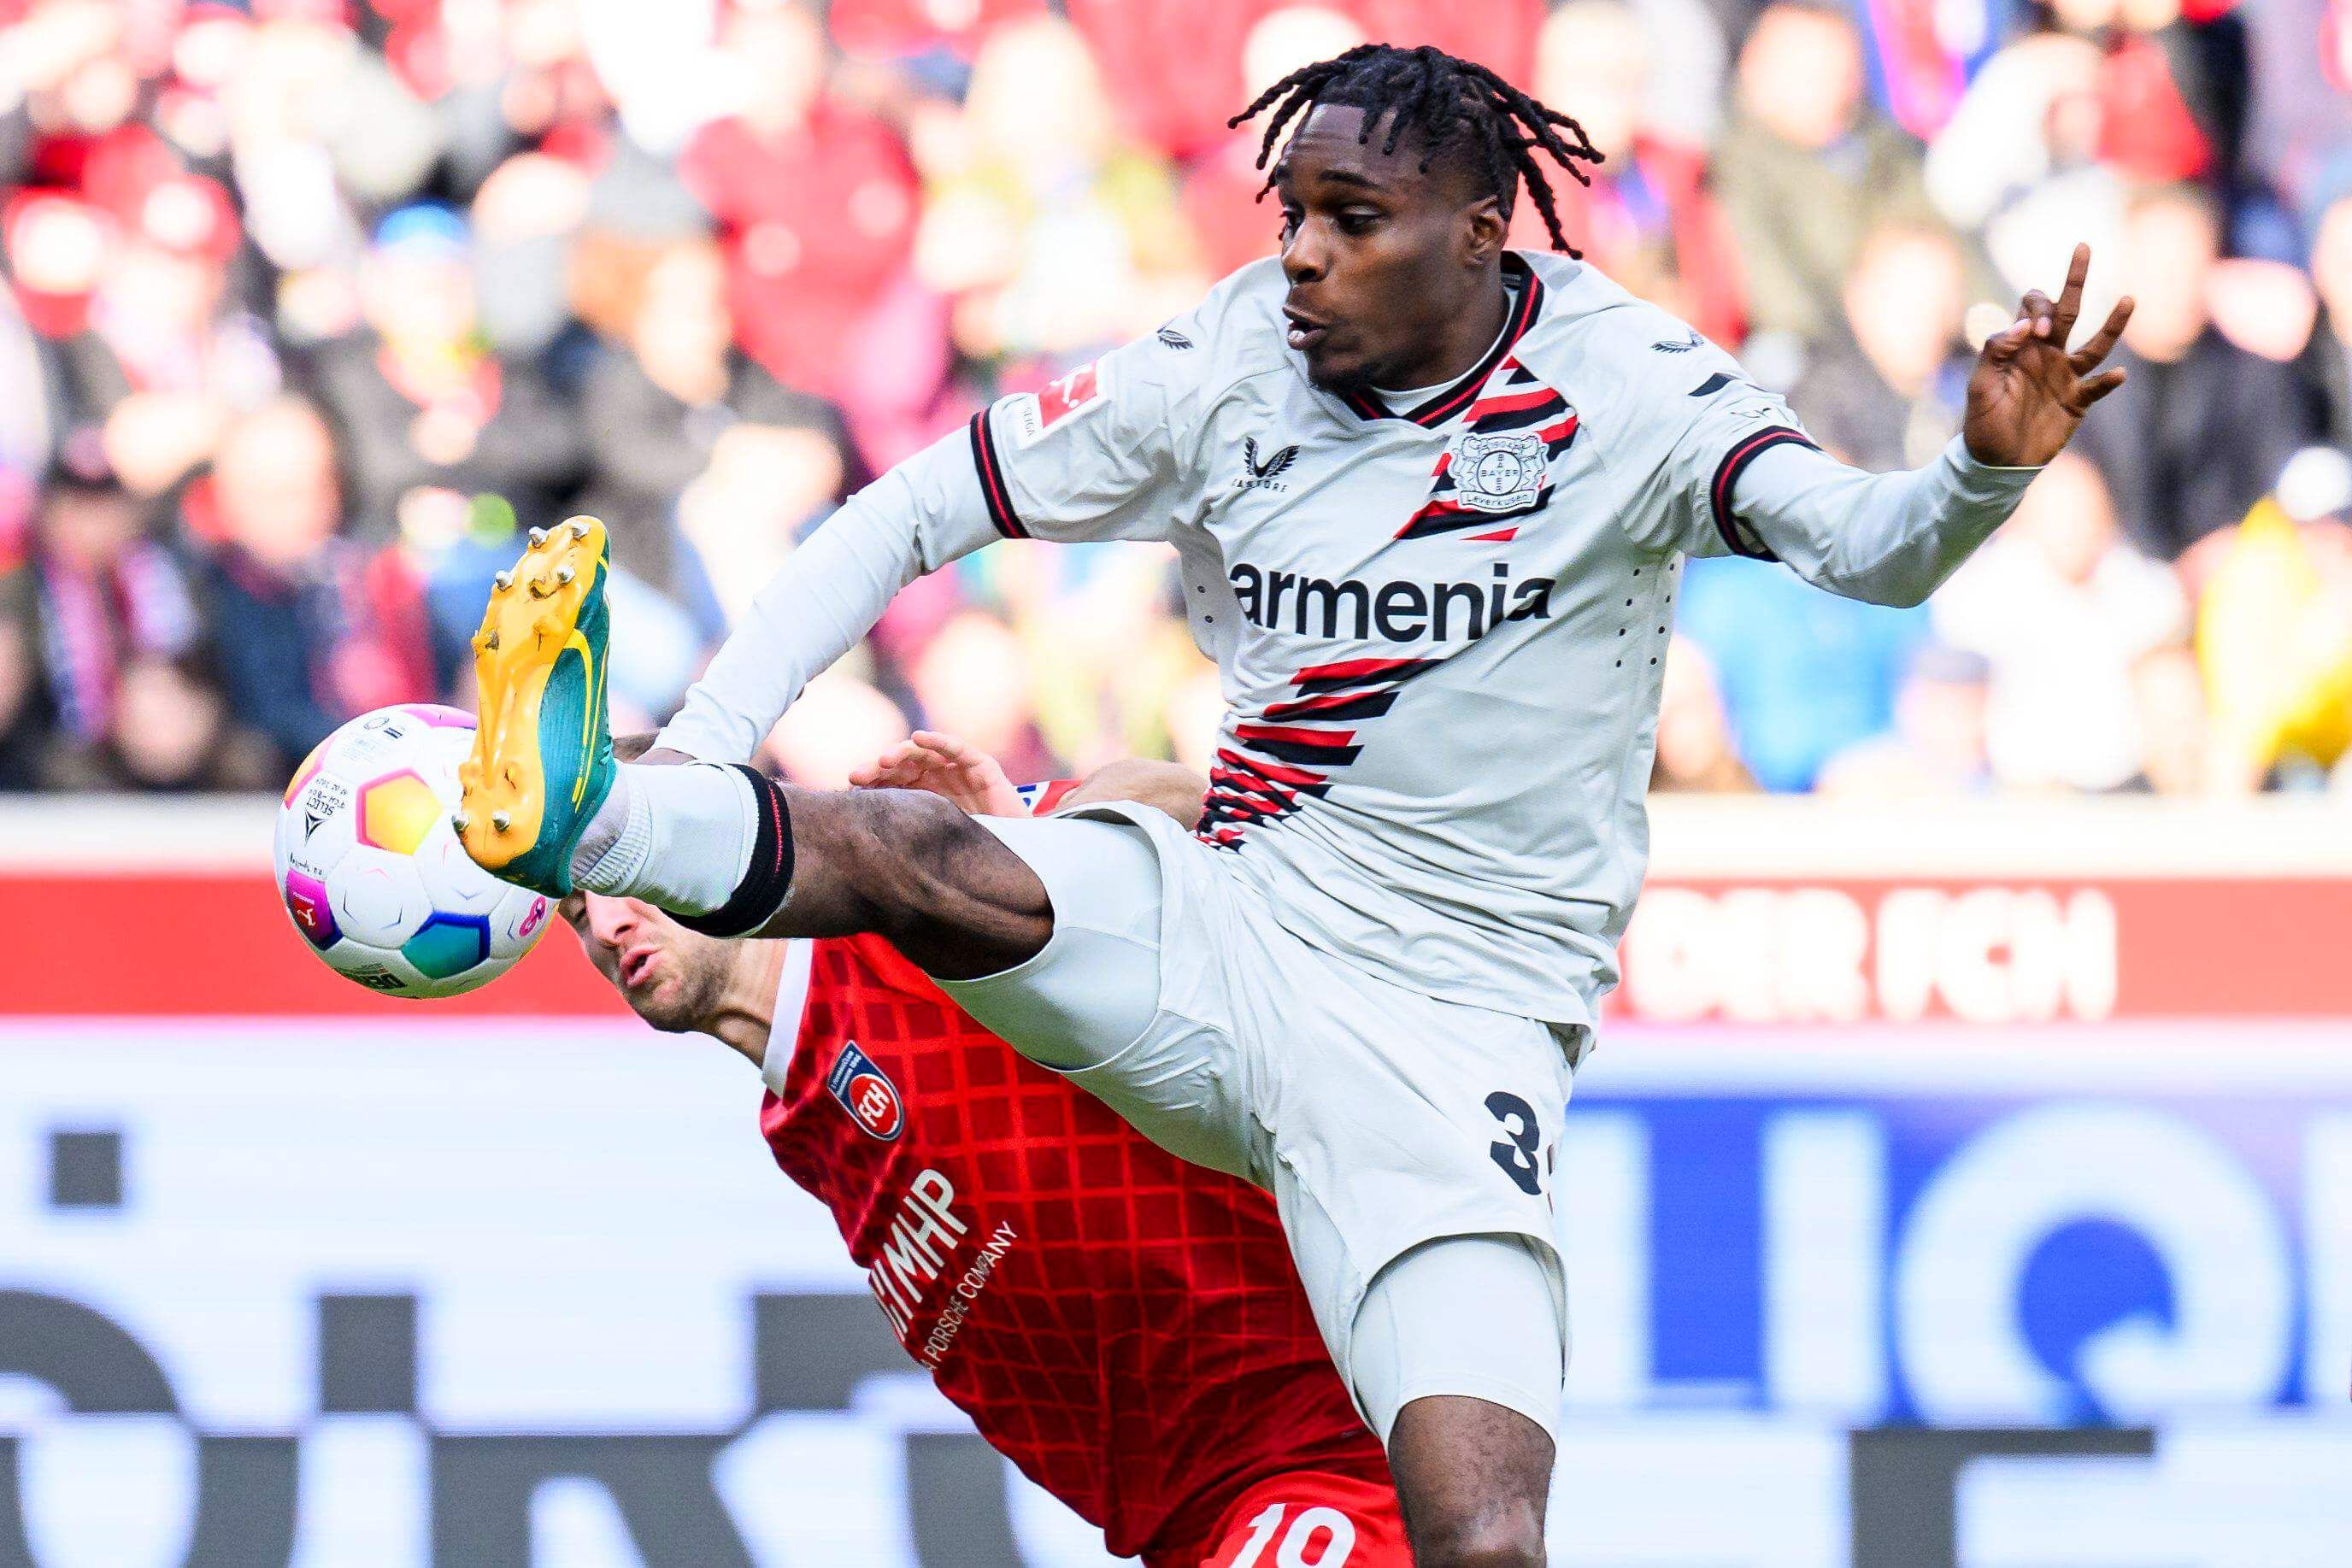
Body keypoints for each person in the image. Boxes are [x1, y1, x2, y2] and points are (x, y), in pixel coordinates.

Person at [454, 44, 2132, 1565]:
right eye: (1291, 214)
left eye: (1352, 217)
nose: (1303, 255)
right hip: (1239, 924)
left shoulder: (1633, 390)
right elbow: (908, 511)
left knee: (1479, 1530)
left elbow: (1868, 547)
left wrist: (1978, 465)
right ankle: (591, 818)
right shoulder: (1223, 364)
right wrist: (706, 733)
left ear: (1483, 231)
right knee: (922, 859)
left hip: (1455, 1030)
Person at [563, 730, 1408, 1568]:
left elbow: (1195, 803)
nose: (605, 923)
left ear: (719, 833)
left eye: (621, 872)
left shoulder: (905, 905)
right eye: (574, 908)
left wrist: (1062, 844)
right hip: (1196, 1530)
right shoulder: (800, 1128)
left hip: (1333, 1454)